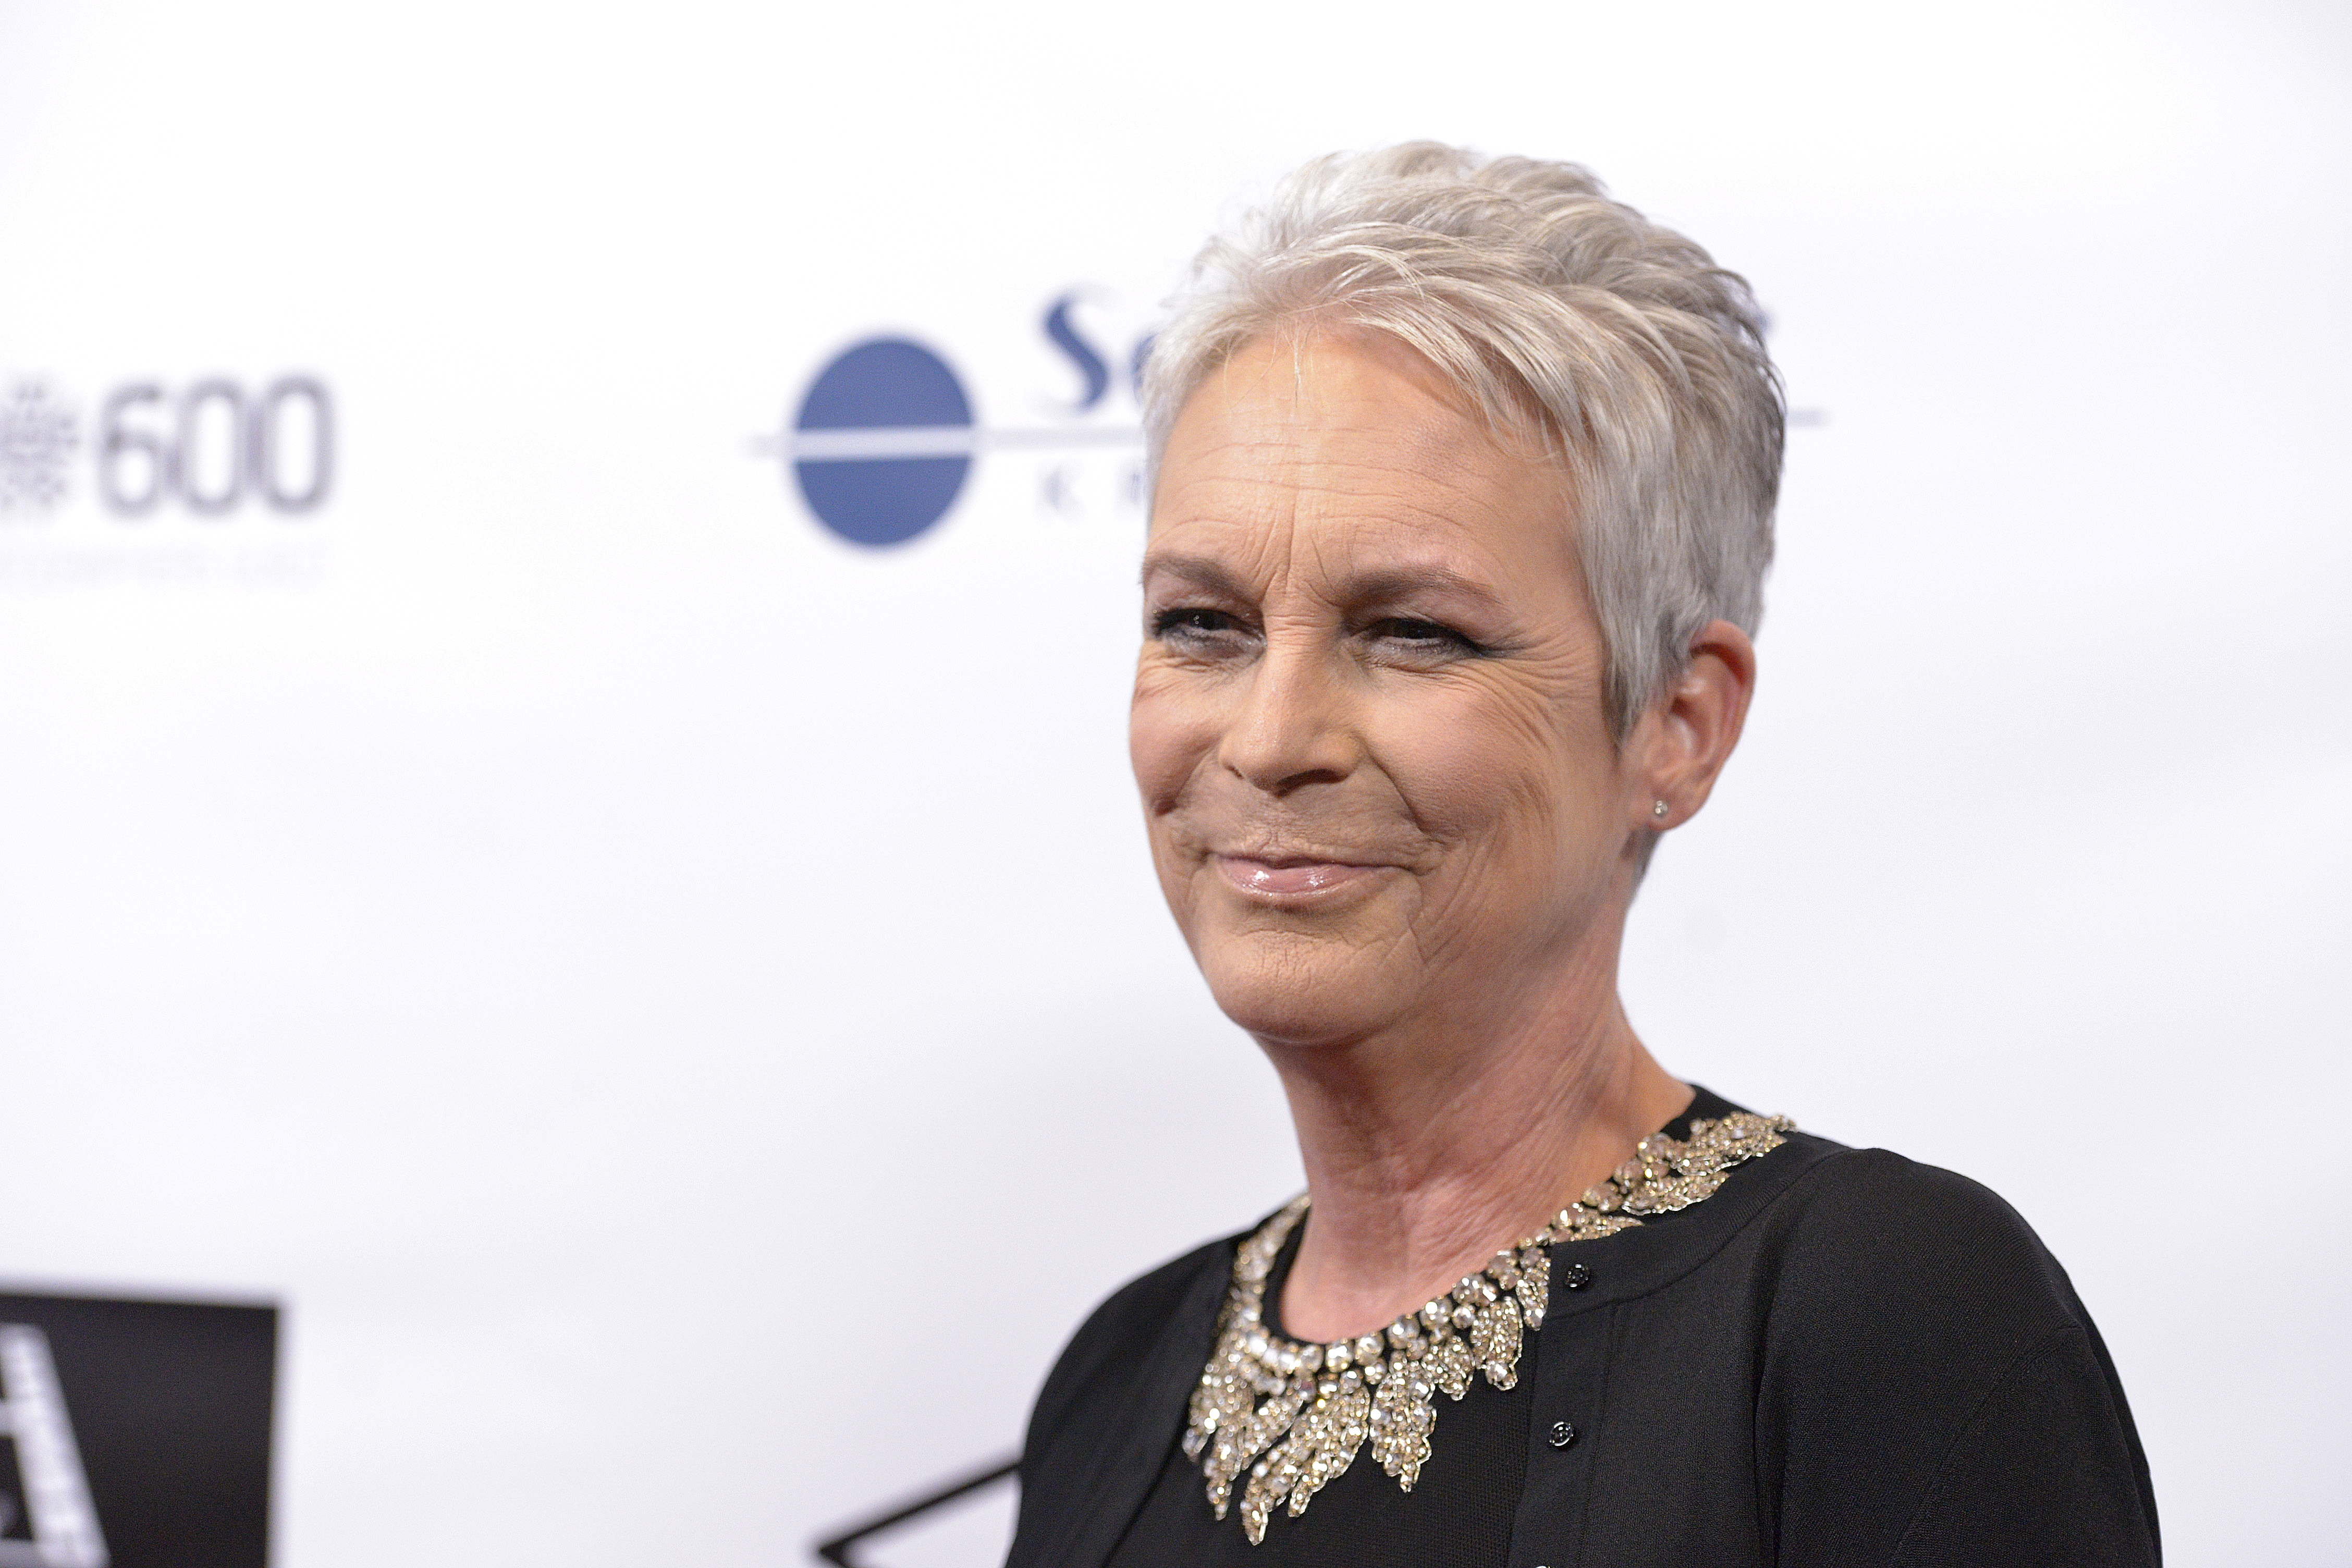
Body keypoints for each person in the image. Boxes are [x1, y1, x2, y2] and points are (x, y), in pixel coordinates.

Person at [1006, 144, 2159, 1567]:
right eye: (1203, 624)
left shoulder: (1882, 1315)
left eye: (1413, 632)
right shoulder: (1117, 1383)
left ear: (1676, 725)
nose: (1270, 738)